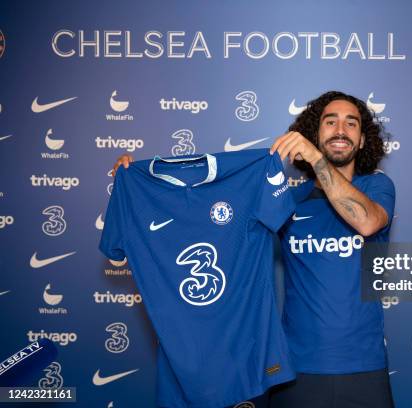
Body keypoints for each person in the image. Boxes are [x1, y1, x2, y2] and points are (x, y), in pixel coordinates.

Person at [112, 91, 396, 407]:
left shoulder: (377, 187)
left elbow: (368, 222)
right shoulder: (288, 199)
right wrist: (138, 184)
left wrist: (315, 159)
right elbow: (213, 216)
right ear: (315, 134)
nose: (341, 130)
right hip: (297, 369)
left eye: (351, 124)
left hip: (364, 366)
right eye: (330, 122)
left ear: (361, 141)